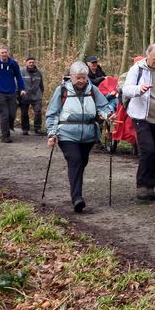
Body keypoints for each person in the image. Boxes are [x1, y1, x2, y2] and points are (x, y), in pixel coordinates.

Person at [45, 61, 114, 212]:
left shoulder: (93, 90)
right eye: (78, 78)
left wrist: (107, 115)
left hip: (88, 136)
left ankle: (76, 187)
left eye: (84, 77)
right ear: (71, 77)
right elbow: (52, 113)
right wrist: (52, 133)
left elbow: (103, 106)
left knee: (81, 162)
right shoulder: (62, 90)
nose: (81, 81)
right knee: (75, 160)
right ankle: (77, 198)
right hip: (66, 134)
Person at [122, 44, 155, 201]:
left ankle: (150, 187)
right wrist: (140, 89)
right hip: (140, 116)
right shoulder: (137, 69)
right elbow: (126, 89)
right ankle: (142, 186)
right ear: (147, 56)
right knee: (148, 150)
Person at [0, 45, 26, 144]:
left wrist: (22, 89)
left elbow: (19, 77)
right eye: (2, 52)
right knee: (4, 115)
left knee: (12, 114)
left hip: (11, 93)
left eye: (5, 52)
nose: (4, 54)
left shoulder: (13, 64)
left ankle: (9, 127)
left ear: (8, 53)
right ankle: (5, 136)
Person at [20, 56, 45, 135]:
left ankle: (37, 129)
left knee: (38, 112)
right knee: (24, 113)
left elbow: (41, 84)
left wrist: (41, 93)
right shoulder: (21, 71)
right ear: (26, 63)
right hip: (25, 95)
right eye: (29, 62)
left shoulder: (39, 72)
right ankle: (25, 129)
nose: (31, 64)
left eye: (33, 62)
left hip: (36, 96)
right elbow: (18, 82)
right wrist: (19, 92)